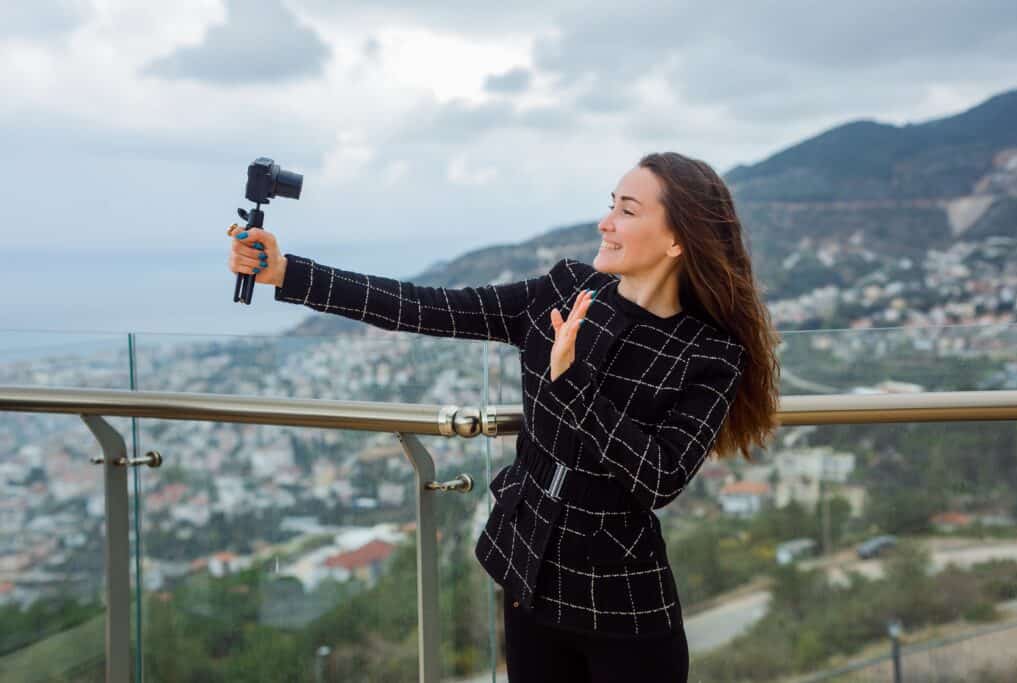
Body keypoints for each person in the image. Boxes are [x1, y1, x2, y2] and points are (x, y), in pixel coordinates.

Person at [227, 152, 781, 682]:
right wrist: (287, 273)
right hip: (528, 580)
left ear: (679, 240)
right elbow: (426, 306)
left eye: (627, 211)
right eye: (611, 203)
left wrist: (574, 384)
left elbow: (660, 477)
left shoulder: (708, 354)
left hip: (623, 608)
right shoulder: (565, 289)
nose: (605, 221)